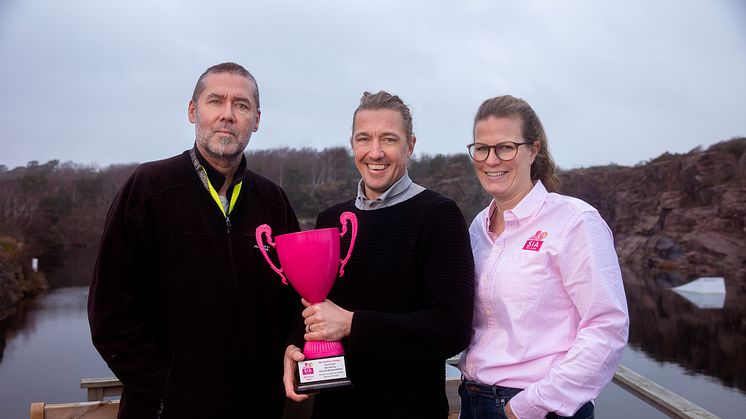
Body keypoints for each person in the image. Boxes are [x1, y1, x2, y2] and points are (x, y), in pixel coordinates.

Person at [88, 62, 300, 419]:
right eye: (216, 101)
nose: (228, 115)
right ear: (193, 110)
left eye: (242, 105)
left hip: (258, 407)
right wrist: (165, 392)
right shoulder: (148, 189)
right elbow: (110, 314)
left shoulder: (273, 201)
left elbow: (298, 296)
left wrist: (293, 346)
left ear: (257, 119)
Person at [282, 91, 475, 418]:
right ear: (352, 144)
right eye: (364, 139)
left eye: (388, 139)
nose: (375, 152)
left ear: (410, 145)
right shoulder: (331, 220)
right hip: (335, 409)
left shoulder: (438, 215)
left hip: (410, 408)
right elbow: (315, 308)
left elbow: (451, 329)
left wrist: (352, 324)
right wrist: (293, 347)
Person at [457, 95, 629, 419]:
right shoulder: (477, 227)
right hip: (472, 399)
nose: (491, 159)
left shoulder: (575, 221)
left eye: (505, 147)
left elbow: (607, 327)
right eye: (481, 148)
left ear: (533, 150)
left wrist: (529, 406)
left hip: (537, 408)